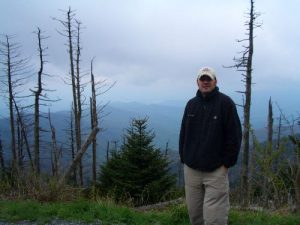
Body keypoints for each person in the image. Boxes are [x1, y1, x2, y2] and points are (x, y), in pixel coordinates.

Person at [179, 67, 242, 225]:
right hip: (192, 170)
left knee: (215, 218)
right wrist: (184, 157)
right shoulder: (191, 105)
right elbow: (183, 133)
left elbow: (234, 136)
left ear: (215, 81)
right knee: (195, 216)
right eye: (202, 79)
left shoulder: (225, 103)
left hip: (216, 171)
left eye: (209, 79)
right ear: (197, 82)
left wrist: (226, 164)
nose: (205, 82)